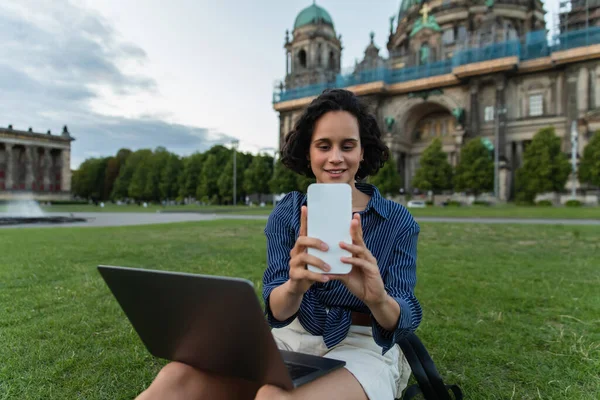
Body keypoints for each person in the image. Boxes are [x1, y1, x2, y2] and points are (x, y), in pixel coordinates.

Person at [136, 88, 421, 400]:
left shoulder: (397, 220)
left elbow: (403, 320)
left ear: (362, 151)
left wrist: (377, 298)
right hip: (292, 337)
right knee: (175, 376)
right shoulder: (287, 213)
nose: (335, 157)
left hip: (364, 344)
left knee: (272, 397)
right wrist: (295, 285)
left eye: (348, 146)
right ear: (309, 152)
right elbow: (277, 308)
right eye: (323, 146)